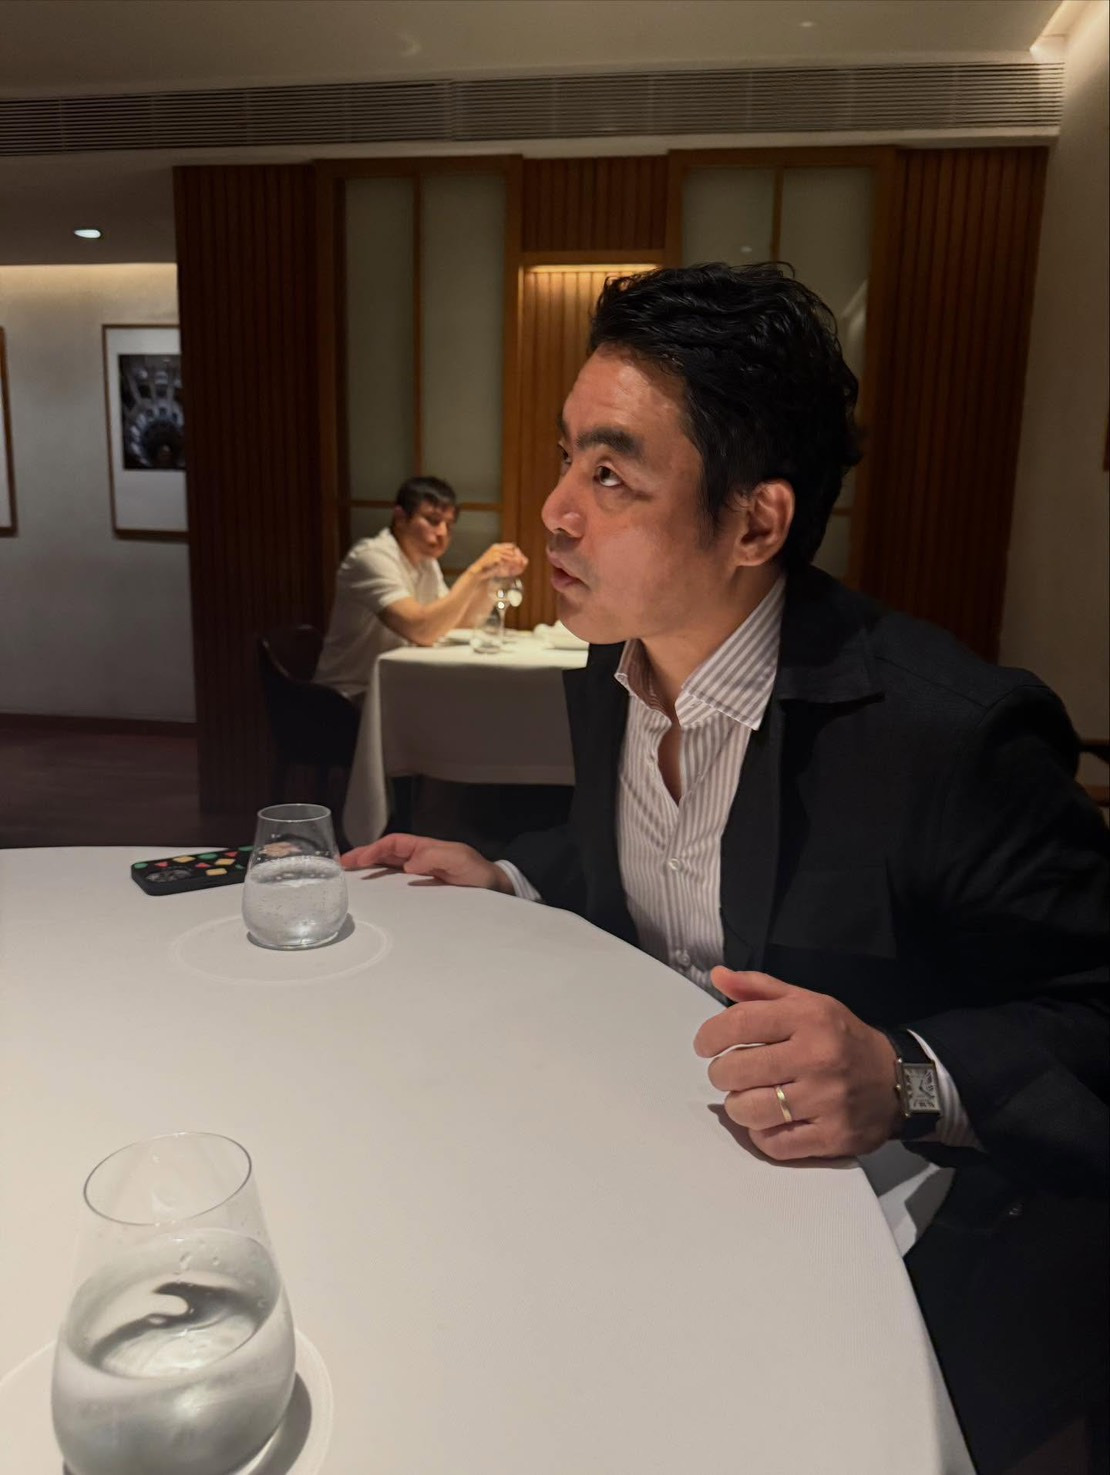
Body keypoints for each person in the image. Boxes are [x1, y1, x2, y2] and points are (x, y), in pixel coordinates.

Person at [342, 265, 1108, 1474]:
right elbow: (652, 857)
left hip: (894, 1224)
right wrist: (508, 876)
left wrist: (905, 1076)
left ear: (756, 524)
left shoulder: (947, 735)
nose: (554, 510)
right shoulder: (614, 665)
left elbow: (1095, 1004)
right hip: (672, 1169)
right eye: (566, 457)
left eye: (612, 476)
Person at [314, 475, 527, 702]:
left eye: (449, 524)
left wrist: (491, 577)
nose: (443, 532)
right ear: (400, 517)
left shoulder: (426, 563)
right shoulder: (371, 557)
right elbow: (421, 630)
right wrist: (475, 571)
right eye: (433, 521)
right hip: (346, 695)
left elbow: (457, 623)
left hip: (392, 686)